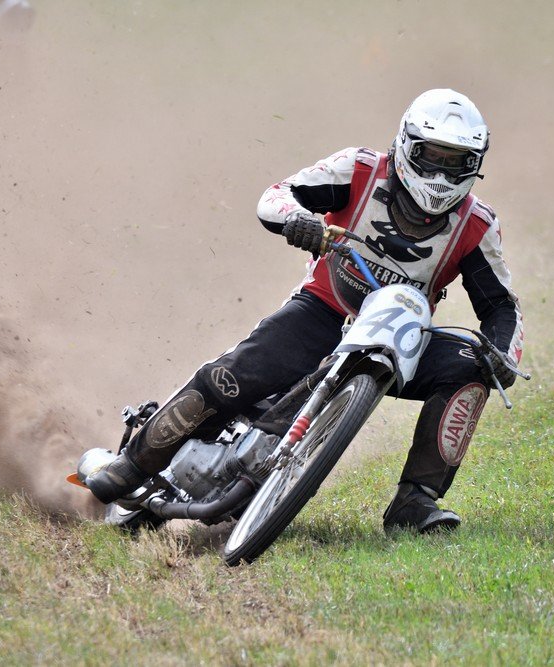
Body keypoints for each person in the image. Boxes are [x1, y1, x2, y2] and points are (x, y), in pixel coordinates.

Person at [86, 89, 524, 533]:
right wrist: (299, 219)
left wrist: (502, 355)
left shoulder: (478, 225)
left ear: (476, 164)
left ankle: (415, 502)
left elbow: (501, 306)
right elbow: (276, 195)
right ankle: (135, 464)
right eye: (433, 155)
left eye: (457, 161)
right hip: (322, 312)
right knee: (231, 376)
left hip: (404, 341)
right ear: (408, 144)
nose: (442, 173)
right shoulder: (357, 169)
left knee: (472, 370)